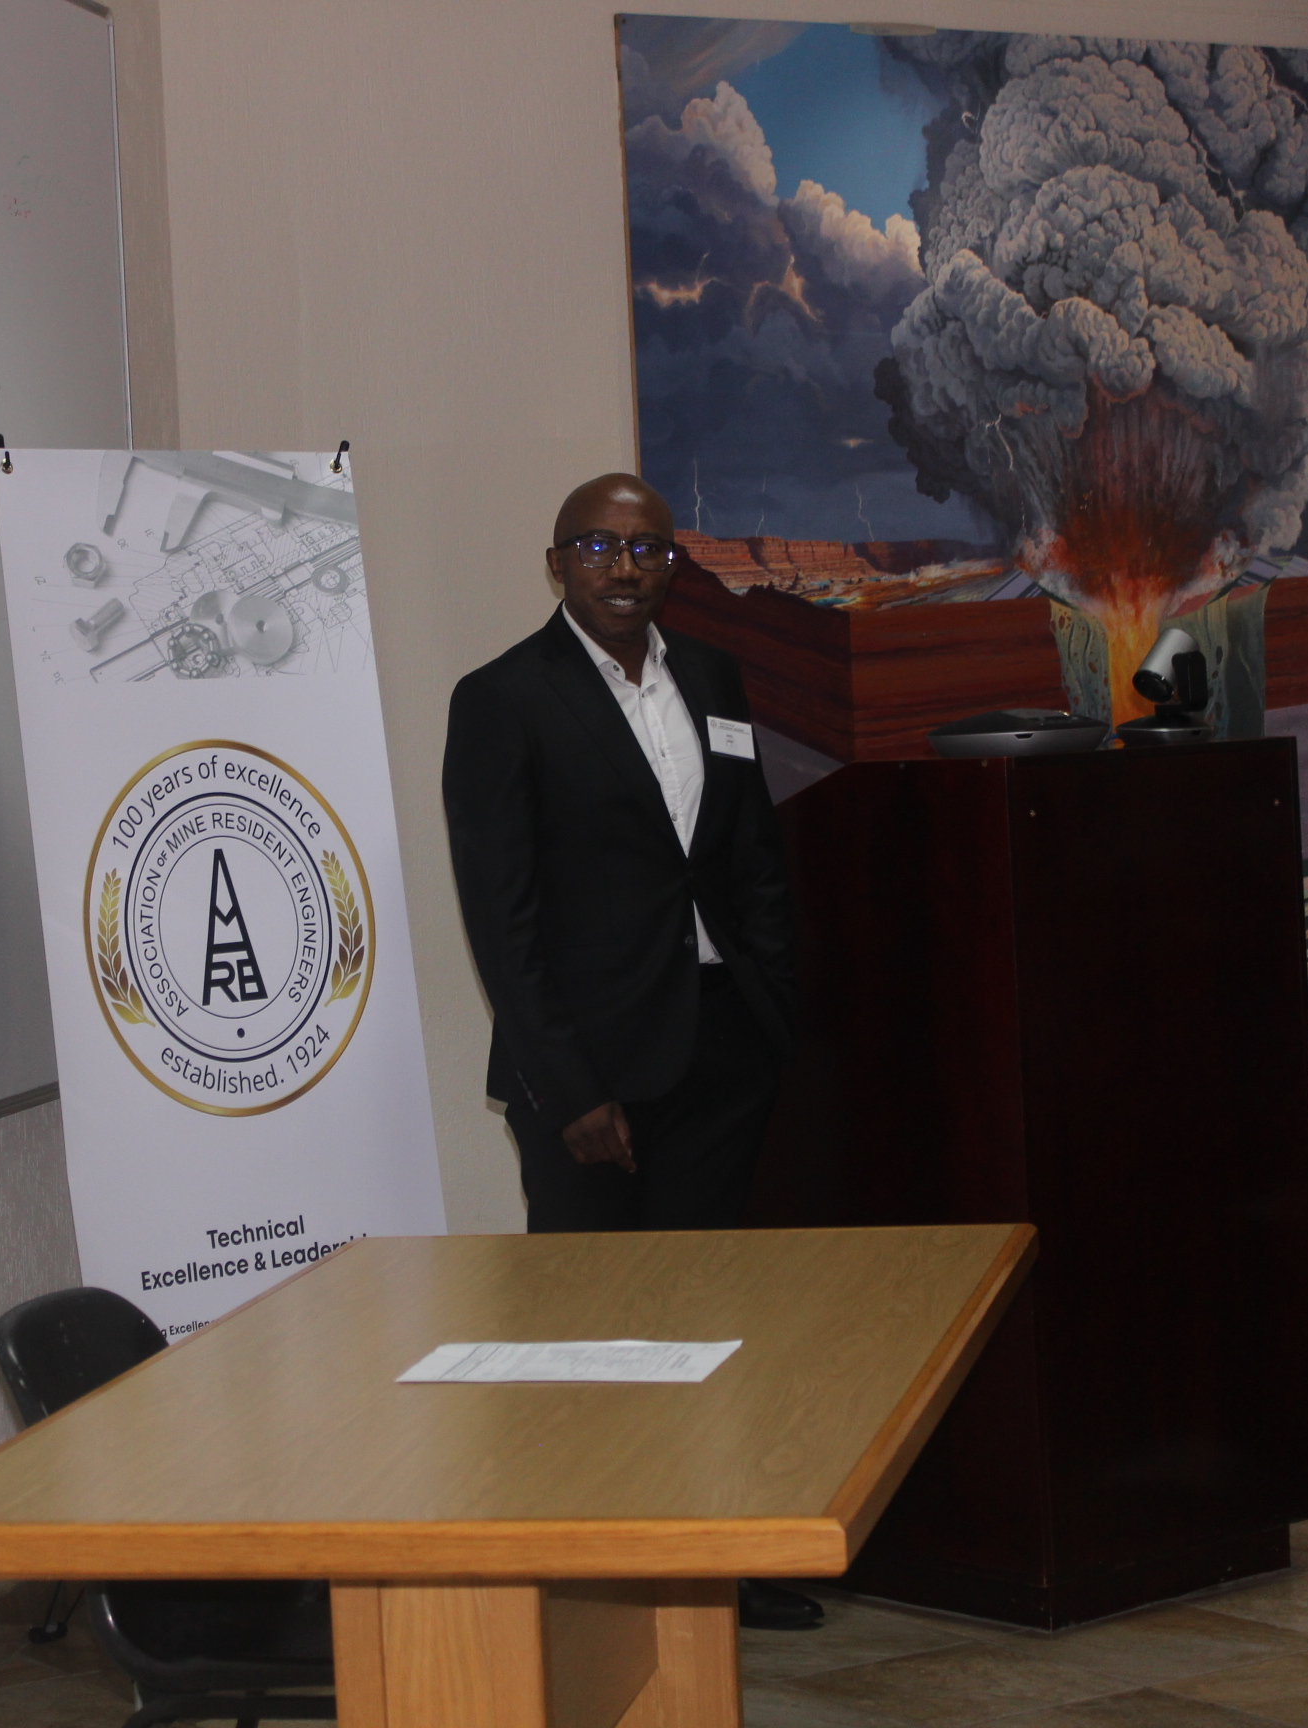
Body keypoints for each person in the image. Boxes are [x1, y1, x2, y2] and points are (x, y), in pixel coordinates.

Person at [441, 472, 811, 1631]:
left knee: (708, 1320)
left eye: (648, 548)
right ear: (557, 562)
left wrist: (772, 1006)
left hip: (720, 1049)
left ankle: (715, 1559)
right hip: (588, 1079)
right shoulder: (502, 697)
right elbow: (501, 920)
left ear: (671, 567)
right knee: (595, 1334)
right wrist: (568, 1089)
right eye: (599, 546)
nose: (624, 566)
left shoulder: (711, 676)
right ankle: (596, 1566)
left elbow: (748, 855)